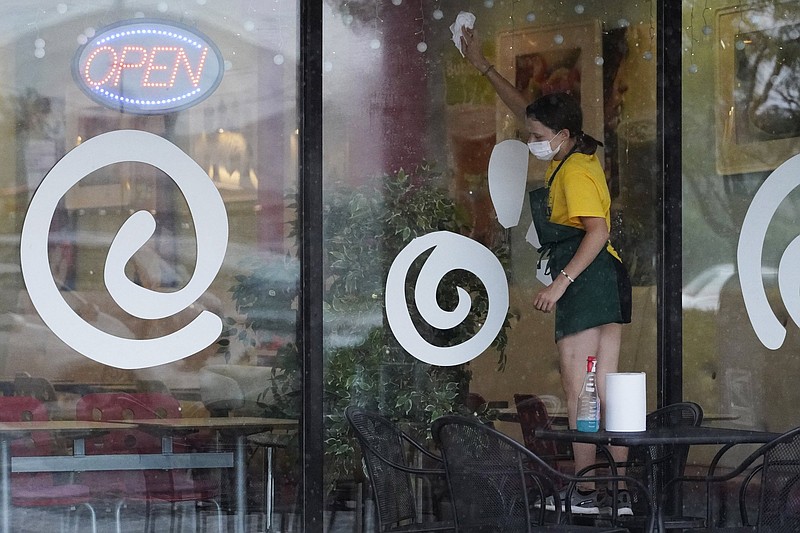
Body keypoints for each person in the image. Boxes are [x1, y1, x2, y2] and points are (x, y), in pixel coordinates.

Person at [460, 27, 633, 516]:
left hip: (586, 279)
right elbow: (526, 110)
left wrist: (560, 284)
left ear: (561, 135)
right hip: (606, 281)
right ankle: (618, 493)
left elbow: (596, 232)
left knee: (581, 390)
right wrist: (483, 65)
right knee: (606, 389)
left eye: (536, 137)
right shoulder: (577, 154)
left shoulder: (574, 171)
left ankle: (583, 493)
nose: (530, 141)